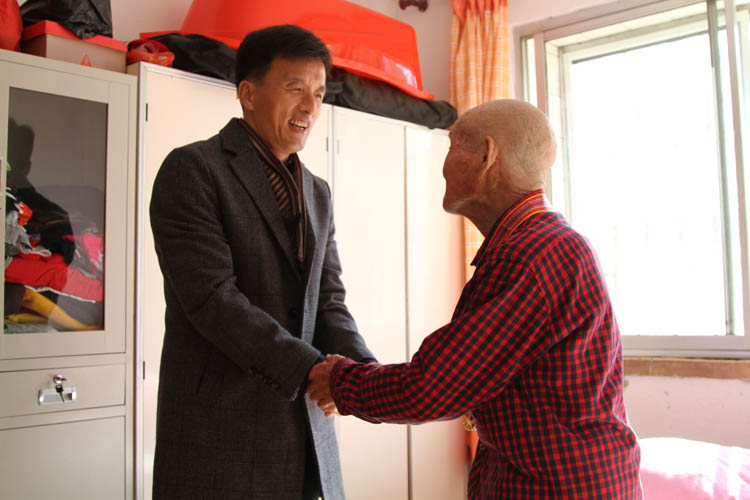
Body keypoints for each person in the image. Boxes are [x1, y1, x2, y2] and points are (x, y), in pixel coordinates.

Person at [308, 99, 642, 499]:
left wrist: (340, 381)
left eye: (453, 145)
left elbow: (432, 387)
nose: (444, 164)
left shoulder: (531, 254)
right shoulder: (542, 244)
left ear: (486, 156)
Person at [149, 25, 376, 500]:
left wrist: (366, 374)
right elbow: (214, 300)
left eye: (318, 93)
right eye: (295, 88)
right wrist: (315, 370)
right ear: (249, 94)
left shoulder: (317, 192)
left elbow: (328, 299)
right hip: (219, 438)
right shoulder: (193, 170)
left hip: (306, 437)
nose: (310, 107)